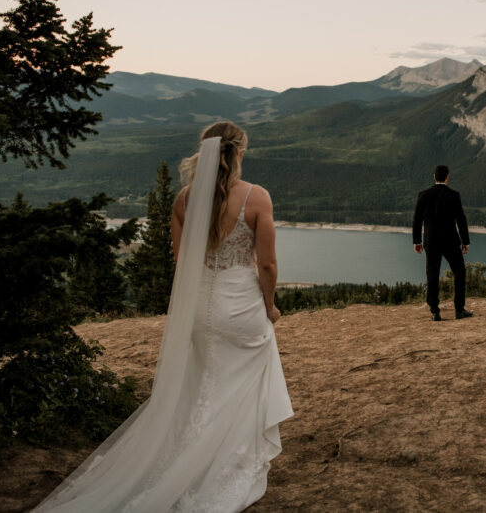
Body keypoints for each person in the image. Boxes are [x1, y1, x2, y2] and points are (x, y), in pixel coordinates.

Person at [34, 121, 293, 512]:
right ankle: (220, 466)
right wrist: (270, 305)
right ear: (238, 152)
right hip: (240, 308)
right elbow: (268, 265)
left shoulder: (185, 201)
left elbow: (183, 263)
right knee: (236, 386)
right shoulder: (256, 198)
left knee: (204, 383)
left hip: (199, 311)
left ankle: (185, 461)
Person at [412, 164, 472, 321]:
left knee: (432, 274)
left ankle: (435, 311)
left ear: (434, 176)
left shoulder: (423, 195)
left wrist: (416, 241)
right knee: (459, 272)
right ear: (447, 177)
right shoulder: (454, 195)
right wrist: (465, 241)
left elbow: (417, 220)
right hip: (450, 240)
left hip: (431, 241)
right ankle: (459, 310)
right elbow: (461, 219)